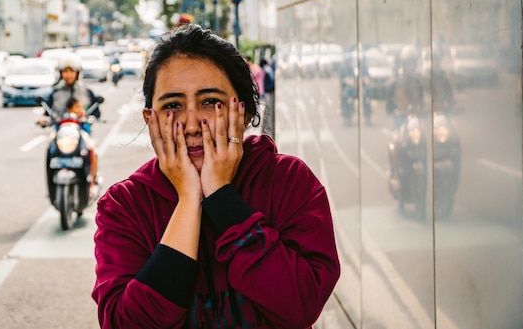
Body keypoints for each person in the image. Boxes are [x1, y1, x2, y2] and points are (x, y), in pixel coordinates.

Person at [92, 24, 340, 328]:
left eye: (210, 101)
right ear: (150, 119)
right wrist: (188, 200)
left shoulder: (288, 181)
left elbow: (300, 306)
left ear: (245, 112)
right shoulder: (125, 205)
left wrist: (221, 195)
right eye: (173, 105)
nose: (192, 124)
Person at [38, 53, 101, 127]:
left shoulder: (86, 92)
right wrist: (44, 119)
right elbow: (48, 113)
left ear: (77, 73)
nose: (68, 75)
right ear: (61, 73)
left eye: (71, 71)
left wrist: (89, 118)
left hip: (82, 130)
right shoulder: (56, 93)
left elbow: (96, 113)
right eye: (65, 71)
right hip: (60, 131)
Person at [64, 96, 99, 200]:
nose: (79, 109)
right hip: (67, 142)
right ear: (69, 109)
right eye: (76, 107)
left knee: (93, 151)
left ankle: (92, 184)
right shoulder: (64, 119)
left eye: (81, 107)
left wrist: (84, 120)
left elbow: (87, 131)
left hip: (81, 143)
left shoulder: (84, 120)